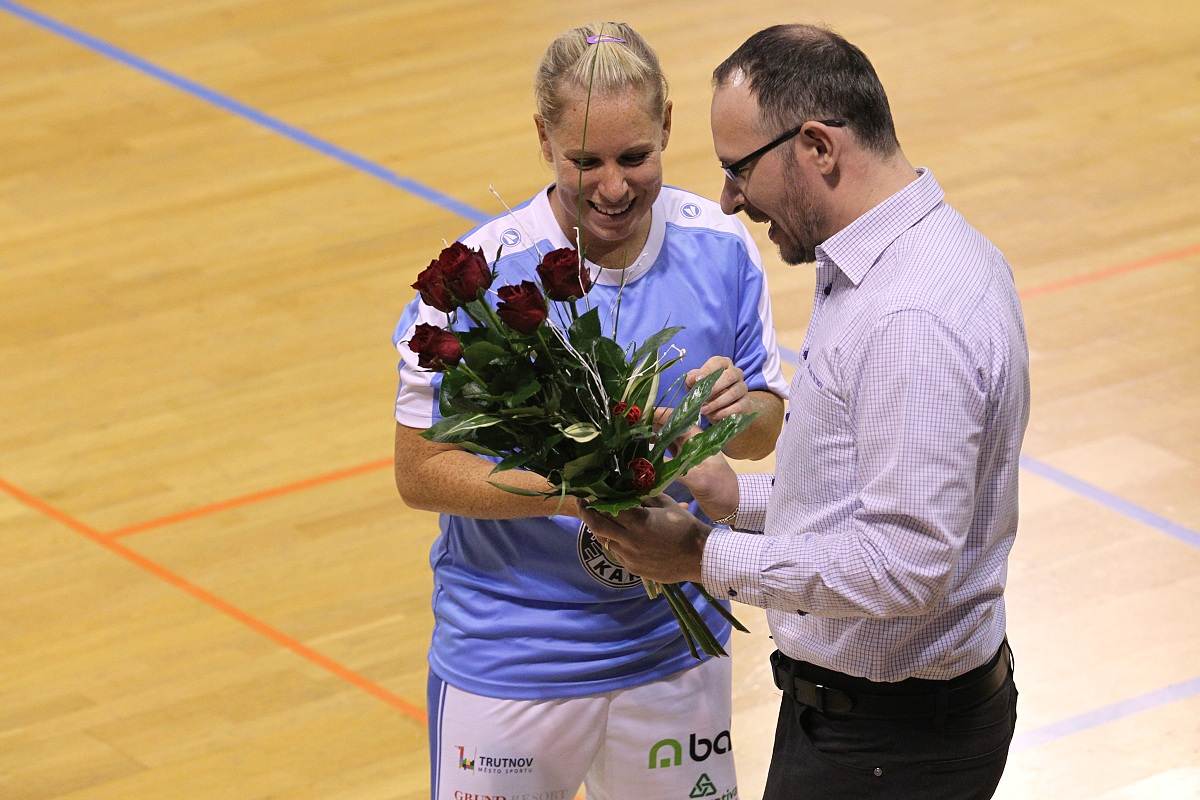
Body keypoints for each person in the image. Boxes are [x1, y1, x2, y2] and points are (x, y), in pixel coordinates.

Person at [581, 24, 1030, 800]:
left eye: (738, 169)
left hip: (890, 746)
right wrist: (734, 497)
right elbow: (865, 495)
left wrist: (701, 554)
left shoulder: (910, 318)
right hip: (871, 722)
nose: (728, 199)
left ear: (818, 147)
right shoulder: (911, 256)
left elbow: (901, 567)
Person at [392, 22, 787, 800]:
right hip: (514, 660)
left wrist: (741, 411)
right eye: (586, 162)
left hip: (674, 652)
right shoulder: (476, 282)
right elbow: (421, 471)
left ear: (667, 124)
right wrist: (577, 494)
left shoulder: (722, 248)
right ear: (543, 138)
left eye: (634, 157)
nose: (612, 188)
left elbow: (764, 430)